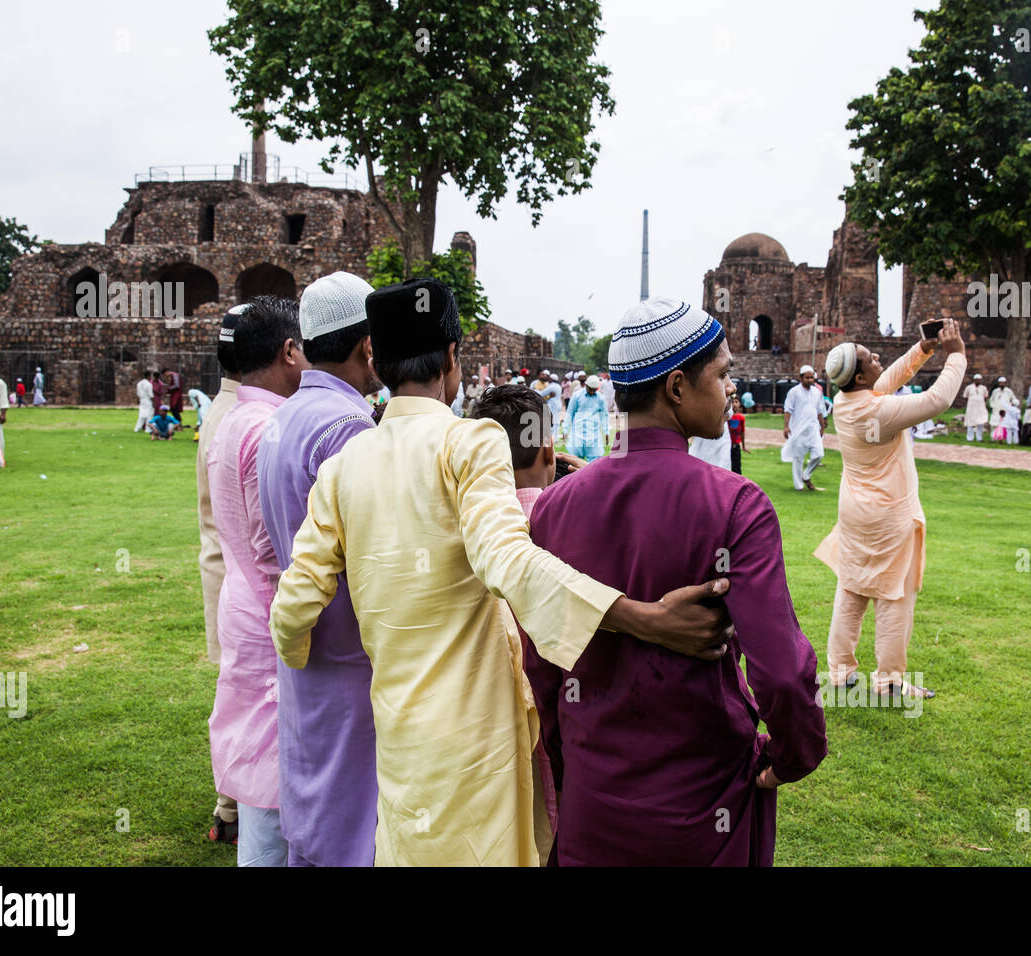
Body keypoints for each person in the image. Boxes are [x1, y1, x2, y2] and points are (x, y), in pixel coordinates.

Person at [269, 278, 733, 867]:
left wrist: (296, 650)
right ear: (451, 359)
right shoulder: (469, 443)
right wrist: (641, 618)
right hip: (473, 729)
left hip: (396, 723)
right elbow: (506, 559)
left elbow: (294, 602)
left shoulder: (342, 467)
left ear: (377, 362)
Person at [522, 296, 826, 866]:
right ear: (678, 387)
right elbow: (782, 674)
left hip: (595, 800)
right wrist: (791, 755)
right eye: (724, 373)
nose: (731, 387)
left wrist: (572, 766)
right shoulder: (736, 505)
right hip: (705, 802)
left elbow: (539, 667)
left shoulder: (554, 508)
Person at [257, 272, 381, 867]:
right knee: (351, 814)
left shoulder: (282, 418)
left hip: (303, 639)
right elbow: (372, 555)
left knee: (313, 799)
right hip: (348, 647)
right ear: (367, 345)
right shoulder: (347, 428)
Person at [207, 296, 310, 866]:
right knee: (274, 779)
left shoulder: (231, 420)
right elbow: (278, 547)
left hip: (242, 602)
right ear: (289, 351)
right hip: (270, 608)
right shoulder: (270, 426)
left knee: (259, 766)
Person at [814, 320, 967, 699]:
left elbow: (888, 380)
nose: (877, 356)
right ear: (862, 377)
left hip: (856, 514)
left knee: (851, 588)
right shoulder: (877, 412)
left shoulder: (849, 402)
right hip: (887, 515)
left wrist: (922, 348)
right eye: (869, 358)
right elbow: (938, 401)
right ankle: (889, 681)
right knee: (894, 594)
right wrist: (957, 356)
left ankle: (840, 671)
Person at [471, 383, 566, 864]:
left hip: (483, 746)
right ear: (549, 451)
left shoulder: (461, 532)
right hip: (564, 741)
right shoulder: (571, 523)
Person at [196, 305, 248, 845]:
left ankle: (230, 805)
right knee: (245, 696)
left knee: (236, 693)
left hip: (224, 576)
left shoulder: (222, 410)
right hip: (242, 583)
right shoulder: (243, 419)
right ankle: (231, 804)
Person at [781, 364, 827, 491]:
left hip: (813, 428)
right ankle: (799, 486)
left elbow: (820, 411)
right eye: (807, 378)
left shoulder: (817, 392)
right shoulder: (794, 392)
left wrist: (822, 427)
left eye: (812, 377)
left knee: (819, 454)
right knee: (798, 458)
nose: (810, 380)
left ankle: (806, 475)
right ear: (801, 378)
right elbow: (788, 410)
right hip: (798, 429)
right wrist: (786, 427)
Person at [564, 373, 609, 461]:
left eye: (594, 390)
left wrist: (606, 432)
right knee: (575, 461)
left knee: (593, 463)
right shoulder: (577, 395)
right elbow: (570, 413)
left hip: (593, 433)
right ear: (586, 385)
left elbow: (604, 416)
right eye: (590, 389)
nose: (592, 392)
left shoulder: (600, 398)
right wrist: (565, 430)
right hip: (578, 431)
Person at [688, 405, 732, 470]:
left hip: (721, 438)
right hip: (703, 439)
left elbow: (729, 414)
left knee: (722, 465)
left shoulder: (726, 399)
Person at [963, 373, 989, 441]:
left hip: (980, 408)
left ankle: (979, 438)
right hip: (971, 408)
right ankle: (969, 438)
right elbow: (965, 397)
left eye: (979, 380)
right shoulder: (969, 387)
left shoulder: (984, 388)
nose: (978, 381)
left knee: (980, 423)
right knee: (970, 423)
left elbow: (986, 397)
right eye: (977, 380)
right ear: (974, 380)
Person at [728, 402, 747, 474]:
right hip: (727, 445)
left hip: (736, 446)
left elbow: (742, 432)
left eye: (736, 402)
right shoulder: (727, 417)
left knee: (737, 468)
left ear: (739, 404)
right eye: (732, 402)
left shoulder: (741, 418)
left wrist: (744, 446)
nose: (734, 404)